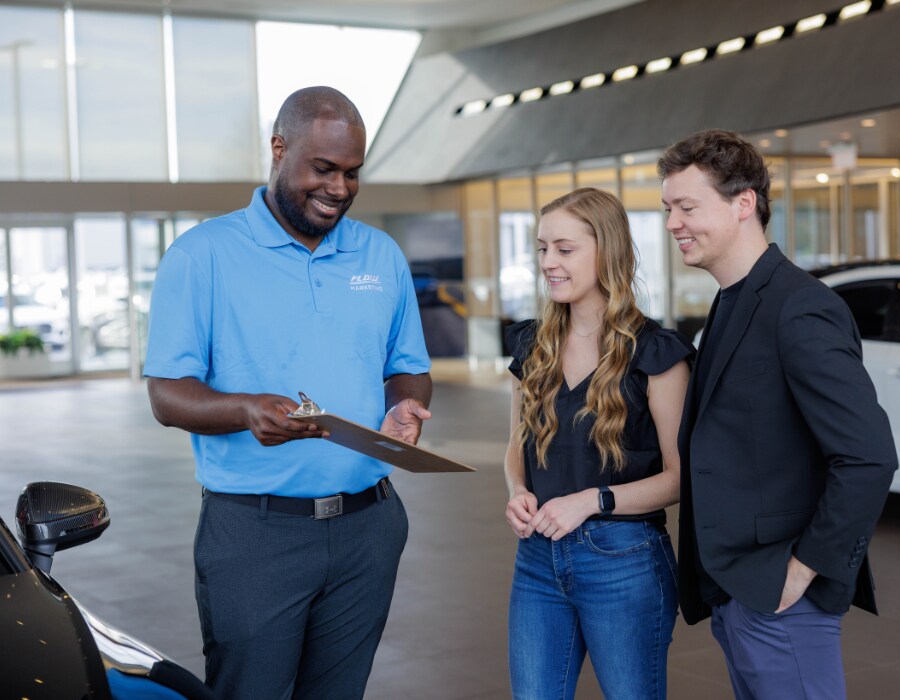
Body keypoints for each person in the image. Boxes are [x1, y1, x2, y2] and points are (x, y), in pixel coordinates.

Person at [144, 86, 432, 700]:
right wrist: (244, 409)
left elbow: (408, 366)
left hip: (368, 528)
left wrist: (405, 406)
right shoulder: (202, 256)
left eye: (353, 173)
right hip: (254, 534)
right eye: (323, 169)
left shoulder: (380, 255)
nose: (339, 188)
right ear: (279, 149)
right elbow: (167, 394)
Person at [658, 129, 897, 699]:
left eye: (687, 207)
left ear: (745, 203)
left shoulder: (801, 307)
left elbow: (868, 458)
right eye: (668, 208)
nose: (672, 223)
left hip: (780, 597)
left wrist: (799, 573)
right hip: (738, 592)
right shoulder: (728, 301)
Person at [503, 187, 693, 699]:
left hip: (625, 562)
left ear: (606, 251)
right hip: (537, 559)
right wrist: (518, 490)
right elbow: (516, 446)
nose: (548, 263)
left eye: (564, 249)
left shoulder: (656, 353)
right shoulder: (531, 345)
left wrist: (592, 501)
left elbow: (680, 477)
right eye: (543, 249)